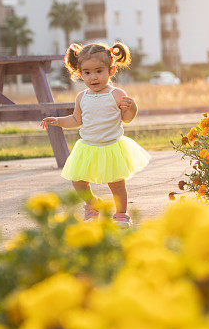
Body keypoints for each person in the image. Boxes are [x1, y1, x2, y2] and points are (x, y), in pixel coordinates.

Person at [40, 42, 150, 228]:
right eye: (87, 73)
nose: (93, 77)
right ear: (80, 73)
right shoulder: (82, 97)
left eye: (99, 71)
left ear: (111, 70)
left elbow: (127, 118)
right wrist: (58, 121)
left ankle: (121, 214)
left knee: (116, 185)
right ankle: (92, 205)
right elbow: (76, 120)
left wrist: (133, 108)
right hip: (88, 146)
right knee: (78, 181)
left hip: (111, 146)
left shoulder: (116, 94)